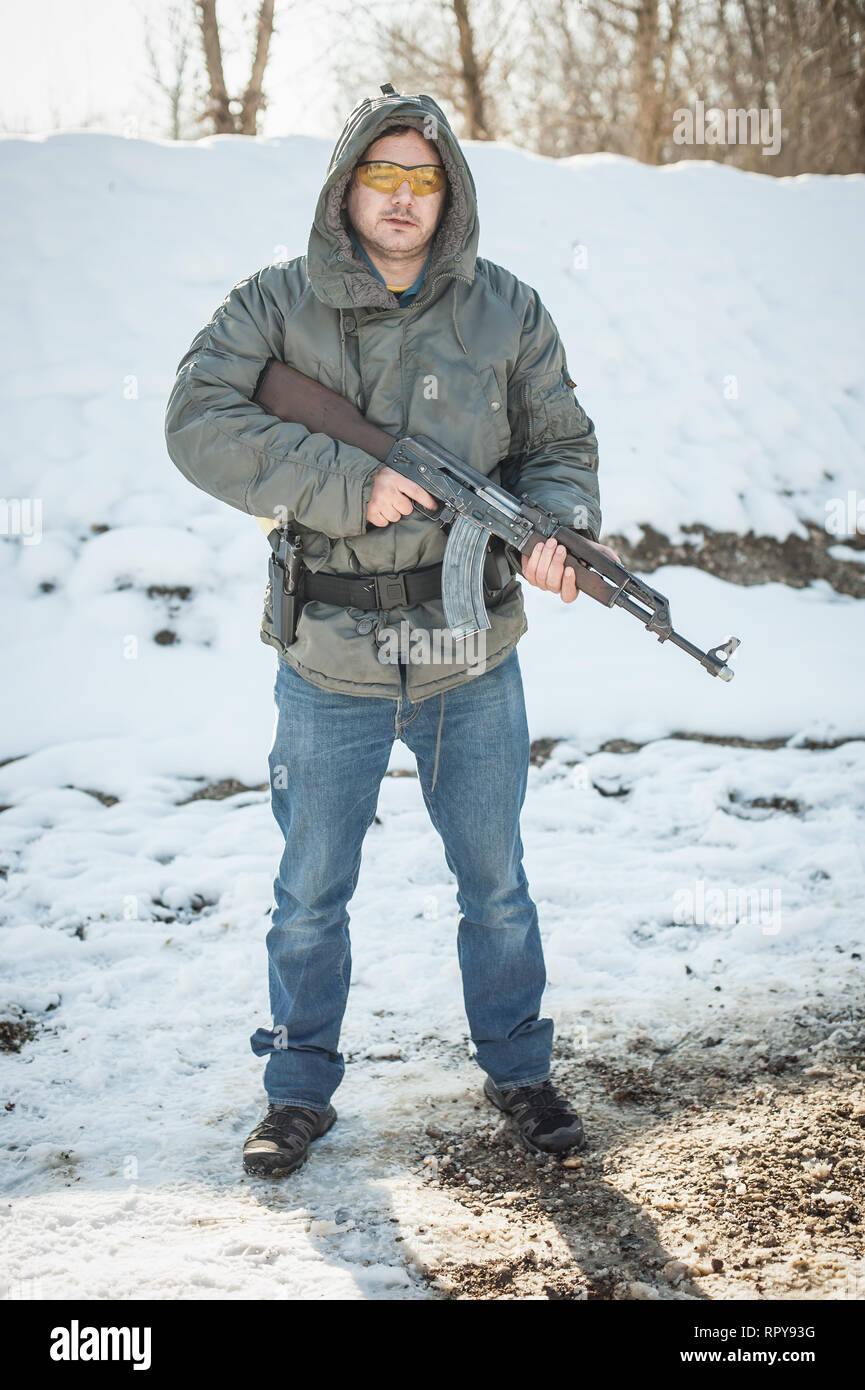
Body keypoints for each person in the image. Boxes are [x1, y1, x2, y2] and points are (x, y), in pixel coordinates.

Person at [164, 84, 621, 1179]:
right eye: (384, 174)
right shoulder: (273, 305)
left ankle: (519, 1069)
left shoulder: (505, 309)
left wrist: (556, 535)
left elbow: (558, 441)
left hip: (471, 659)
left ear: (448, 192)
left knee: (496, 883)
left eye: (423, 178)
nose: (404, 197)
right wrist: (344, 479)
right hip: (330, 659)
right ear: (346, 184)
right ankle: (295, 1091)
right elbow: (196, 421)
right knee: (309, 895)